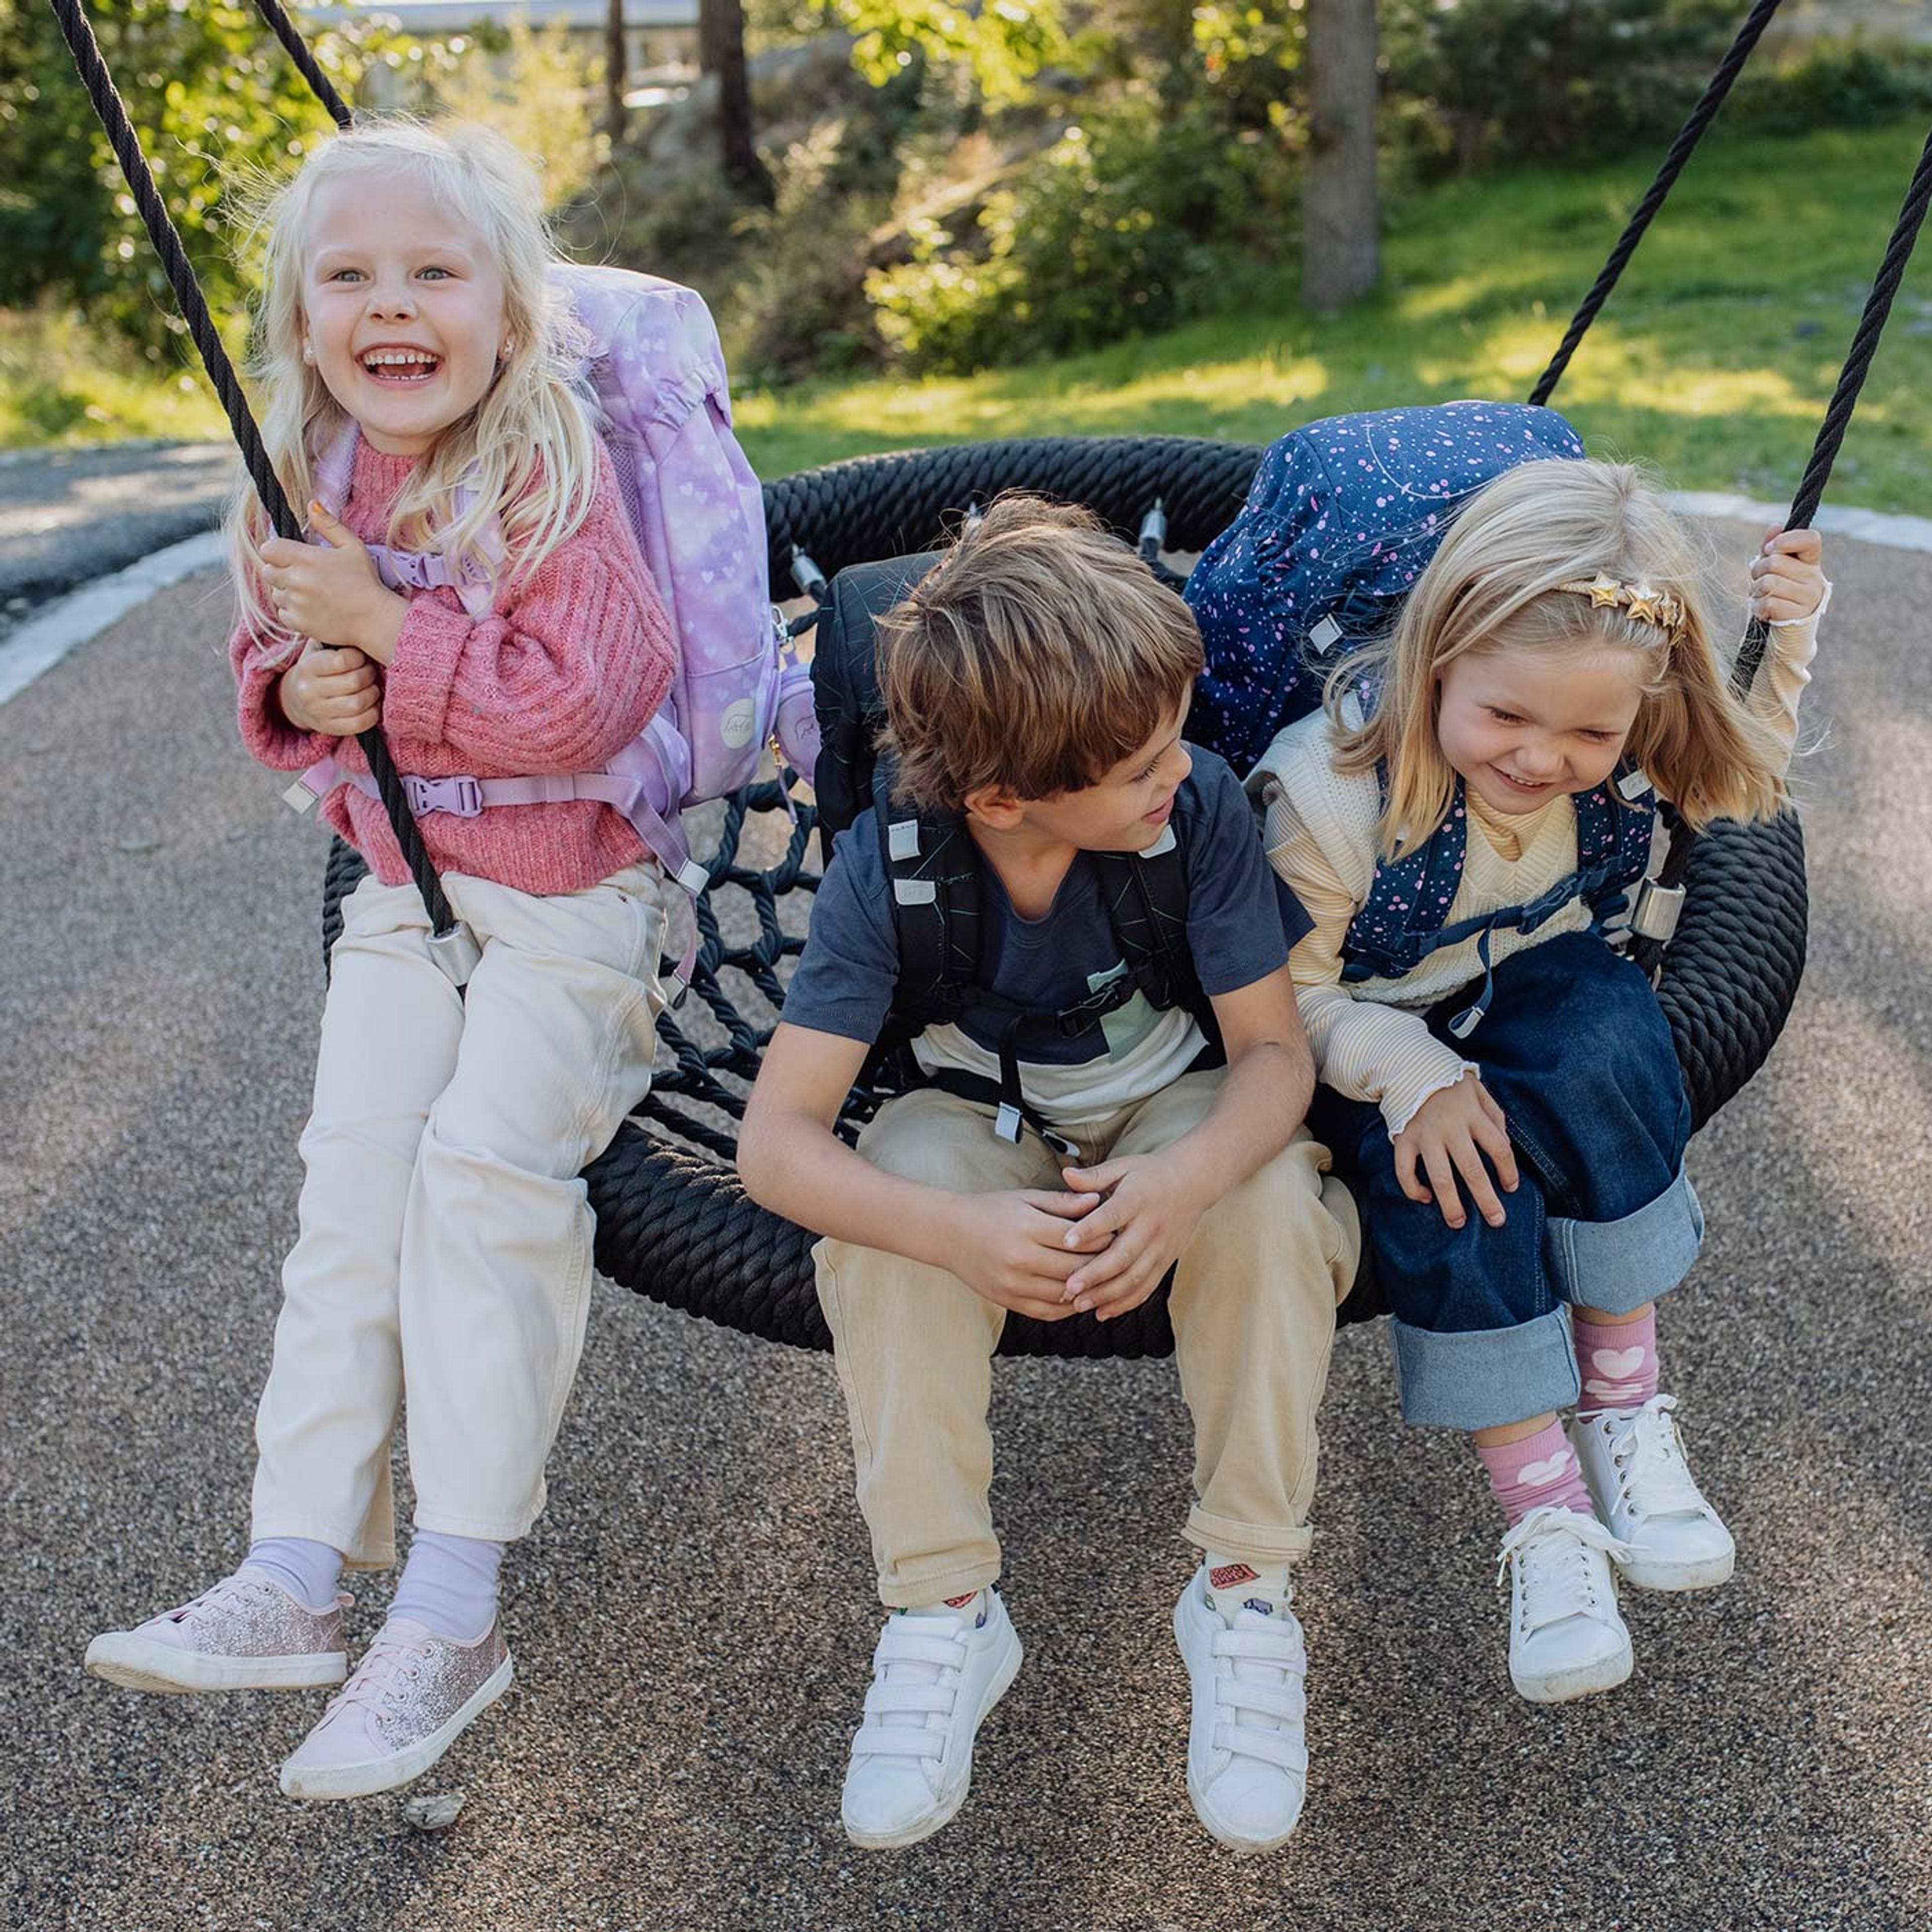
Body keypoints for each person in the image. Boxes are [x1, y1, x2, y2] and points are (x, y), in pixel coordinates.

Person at [85, 120, 678, 1799]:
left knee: (480, 1182)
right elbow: (265, 667)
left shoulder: (552, 466)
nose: (392, 306)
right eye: (349, 276)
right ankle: (292, 1572)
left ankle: (453, 1609)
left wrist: (388, 634)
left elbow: (594, 700)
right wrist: (301, 685)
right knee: (350, 1191)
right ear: (300, 315)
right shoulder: (301, 474)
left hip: (575, 905)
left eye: (435, 272)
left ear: (511, 311)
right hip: (408, 902)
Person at [737, 497, 1358, 1854]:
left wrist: (1187, 1180)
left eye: (1174, 739)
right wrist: (951, 1233)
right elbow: (775, 1145)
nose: (1179, 768)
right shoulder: (890, 868)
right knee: (892, 1203)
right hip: (983, 1116)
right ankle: (944, 1605)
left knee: (1265, 1201)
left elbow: (1272, 1059)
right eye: (1139, 764)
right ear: (1002, 800)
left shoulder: (1192, 811)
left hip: (1175, 1097)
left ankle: (1245, 1584)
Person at [1251, 458, 1827, 1704]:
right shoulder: (1329, 791)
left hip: (1534, 993)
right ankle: (1545, 1510)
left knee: (1611, 1029)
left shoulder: (1627, 740)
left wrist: (1783, 638)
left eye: (1588, 735)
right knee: (1452, 1184)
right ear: (1436, 660)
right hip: (1367, 1035)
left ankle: (1624, 1408)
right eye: (1507, 717)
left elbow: (1745, 782)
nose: (1544, 758)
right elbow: (1283, 1002)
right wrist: (1412, 1071)